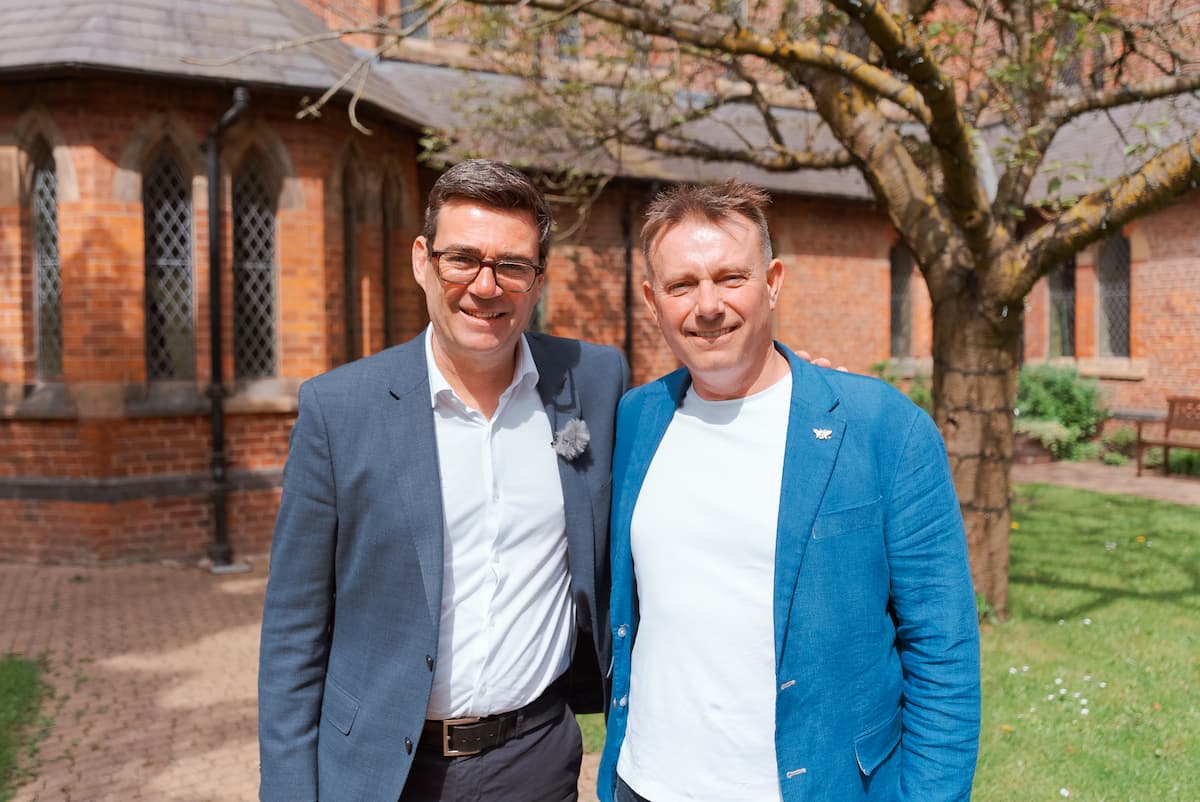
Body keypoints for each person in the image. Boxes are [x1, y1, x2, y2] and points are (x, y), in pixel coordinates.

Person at [598, 180, 981, 802]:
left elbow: (943, 651)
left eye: (731, 278)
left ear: (772, 281)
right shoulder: (637, 420)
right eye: (681, 285)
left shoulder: (882, 428)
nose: (708, 305)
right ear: (651, 299)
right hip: (645, 784)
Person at [258, 159, 627, 802]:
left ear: (537, 279)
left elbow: (682, 430)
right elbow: (294, 628)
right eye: (463, 259)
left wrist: (786, 384)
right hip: (385, 770)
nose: (486, 287)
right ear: (422, 260)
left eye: (512, 265)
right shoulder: (340, 410)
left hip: (535, 763)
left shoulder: (592, 383)